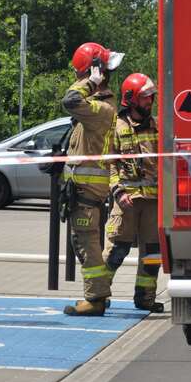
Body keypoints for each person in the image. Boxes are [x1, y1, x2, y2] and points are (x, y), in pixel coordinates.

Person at [61, 42, 124, 316]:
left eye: (81, 74)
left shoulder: (99, 108)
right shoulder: (101, 107)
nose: (77, 79)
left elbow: (70, 100)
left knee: (86, 243)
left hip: (87, 190)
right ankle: (97, 293)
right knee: (89, 242)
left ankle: (95, 298)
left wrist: (89, 81)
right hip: (87, 189)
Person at [103, 73, 164, 313]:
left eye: (151, 97)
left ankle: (145, 299)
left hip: (153, 201)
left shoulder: (158, 126)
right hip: (126, 200)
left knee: (152, 255)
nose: (150, 102)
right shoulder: (116, 128)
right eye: (145, 98)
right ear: (132, 99)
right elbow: (110, 163)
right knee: (117, 249)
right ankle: (99, 295)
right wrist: (118, 191)